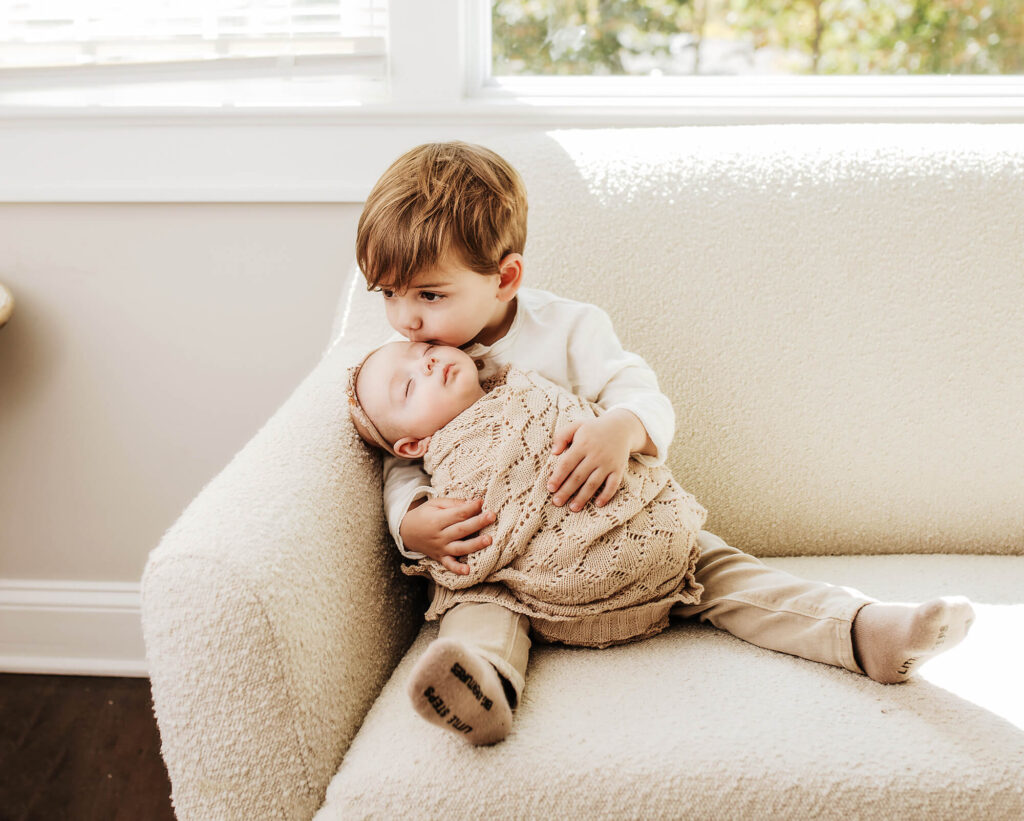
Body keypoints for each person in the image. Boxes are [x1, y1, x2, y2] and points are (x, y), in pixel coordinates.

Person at [349, 340, 976, 746]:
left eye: (424, 349)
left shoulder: (524, 378)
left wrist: (619, 428)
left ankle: (866, 631)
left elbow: (629, 403)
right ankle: (483, 686)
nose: (426, 361)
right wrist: (415, 524)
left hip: (645, 537)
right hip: (529, 587)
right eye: (408, 385)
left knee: (732, 572)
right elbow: (408, 496)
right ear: (410, 445)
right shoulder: (425, 465)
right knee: (477, 606)